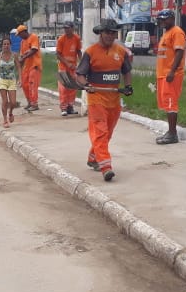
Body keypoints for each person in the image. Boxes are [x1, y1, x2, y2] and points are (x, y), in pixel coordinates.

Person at [75, 18, 133, 182]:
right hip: (96, 98)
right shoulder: (90, 52)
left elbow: (126, 72)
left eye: (113, 32)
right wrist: (86, 85)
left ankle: (94, 157)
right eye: (107, 32)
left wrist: (128, 86)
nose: (110, 35)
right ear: (101, 33)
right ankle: (106, 167)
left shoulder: (121, 52)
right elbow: (79, 75)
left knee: (107, 133)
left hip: (114, 99)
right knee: (100, 132)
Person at [155, 9, 186, 145]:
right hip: (163, 74)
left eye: (165, 19)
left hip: (171, 74)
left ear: (172, 18)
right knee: (167, 103)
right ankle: (170, 131)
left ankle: (173, 134)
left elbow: (179, 52)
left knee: (171, 103)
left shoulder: (176, 32)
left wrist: (172, 71)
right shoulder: (166, 33)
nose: (162, 21)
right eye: (160, 19)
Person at [55, 20, 82, 115]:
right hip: (63, 67)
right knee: (63, 88)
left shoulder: (76, 38)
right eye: (65, 28)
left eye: (68, 28)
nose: (66, 30)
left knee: (72, 87)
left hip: (73, 67)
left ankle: (70, 106)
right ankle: (63, 108)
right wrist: (67, 63)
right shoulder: (61, 39)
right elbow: (58, 54)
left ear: (72, 28)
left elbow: (78, 51)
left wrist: (81, 63)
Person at [0, 38, 19, 128]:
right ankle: (5, 119)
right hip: (2, 80)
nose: (6, 46)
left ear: (10, 45)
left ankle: (10, 112)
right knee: (5, 101)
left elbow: (19, 68)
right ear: (2, 45)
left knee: (13, 102)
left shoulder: (14, 55)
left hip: (12, 80)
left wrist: (21, 79)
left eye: (8, 44)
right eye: (4, 44)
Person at [16, 24, 42, 112]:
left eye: (20, 34)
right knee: (24, 85)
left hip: (34, 65)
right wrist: (20, 61)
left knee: (32, 85)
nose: (19, 36)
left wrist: (24, 57)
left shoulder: (33, 37)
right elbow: (22, 56)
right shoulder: (22, 42)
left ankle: (34, 104)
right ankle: (29, 102)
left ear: (24, 32)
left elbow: (34, 50)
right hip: (27, 67)